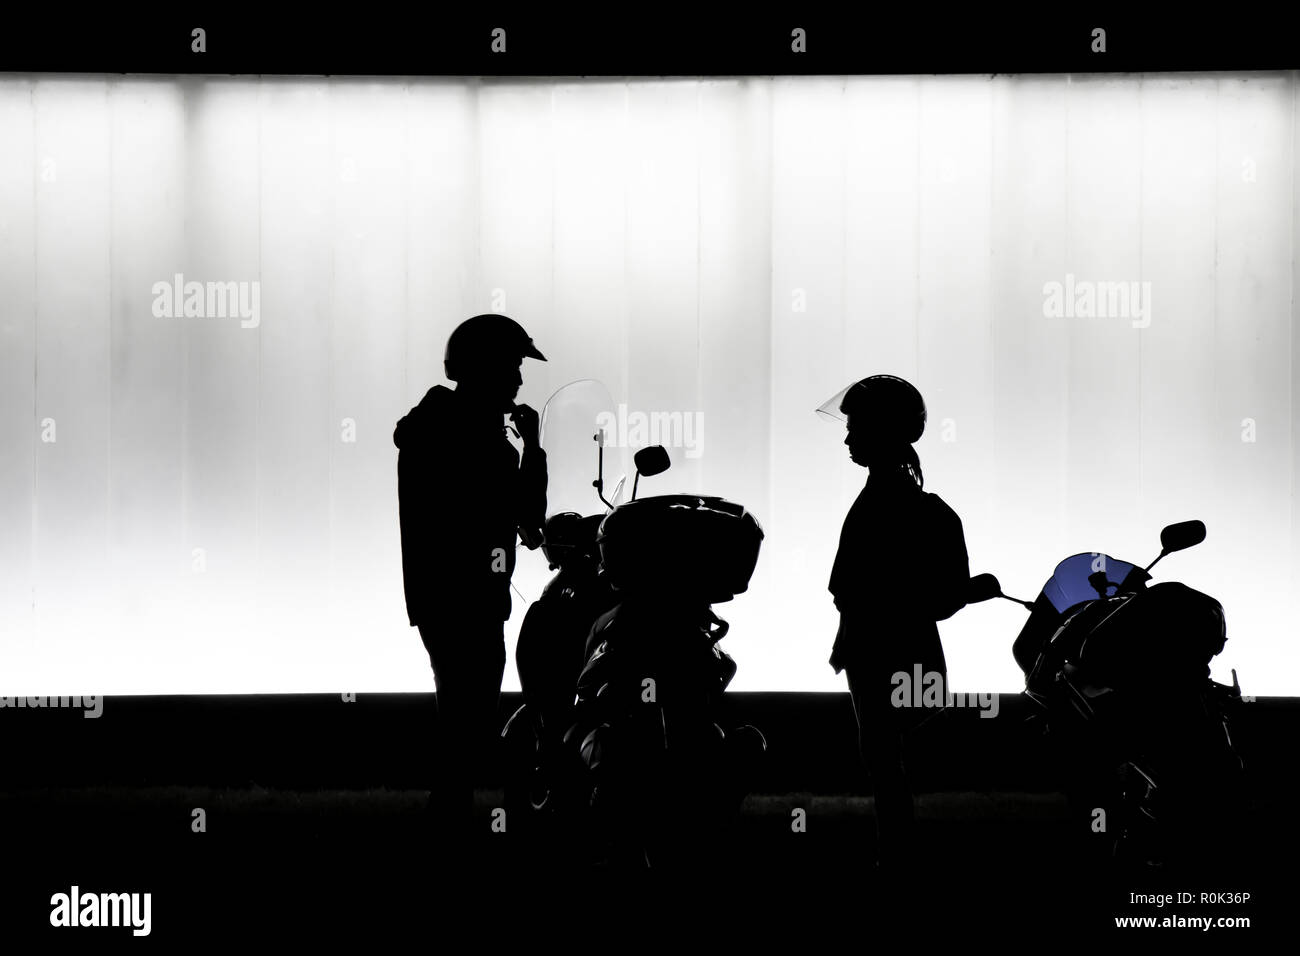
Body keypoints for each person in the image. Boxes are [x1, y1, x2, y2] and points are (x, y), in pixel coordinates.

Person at [393, 313, 548, 846]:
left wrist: (528, 450)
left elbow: (525, 524)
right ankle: (447, 828)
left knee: (465, 716)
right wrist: (530, 452)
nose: (520, 378)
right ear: (486, 366)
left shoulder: (449, 424)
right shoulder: (460, 429)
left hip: (458, 596)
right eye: (513, 364)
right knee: (468, 716)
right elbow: (527, 521)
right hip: (462, 597)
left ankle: (449, 824)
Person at [821, 374, 969, 867]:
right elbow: (945, 597)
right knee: (894, 767)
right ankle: (900, 863)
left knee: (886, 767)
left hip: (877, 655)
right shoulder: (924, 508)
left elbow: (848, 588)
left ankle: (897, 866)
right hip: (905, 654)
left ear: (880, 430)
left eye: (856, 426)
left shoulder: (882, 505)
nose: (847, 437)